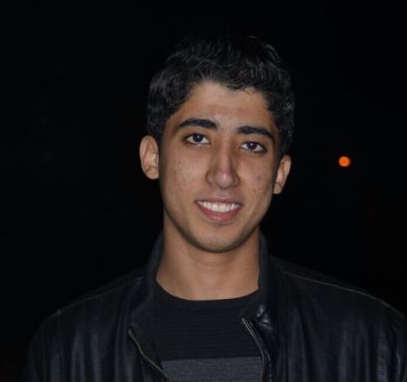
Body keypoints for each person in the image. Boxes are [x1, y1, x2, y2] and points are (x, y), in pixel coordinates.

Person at [23, 33, 406, 382]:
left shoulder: (373, 342)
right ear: (152, 157)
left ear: (280, 173)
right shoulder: (68, 349)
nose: (224, 173)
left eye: (251, 145)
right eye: (197, 138)